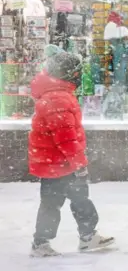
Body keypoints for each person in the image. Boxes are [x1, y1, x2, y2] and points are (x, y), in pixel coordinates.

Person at [28, 50, 114, 257]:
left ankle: (51, 241)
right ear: (67, 73)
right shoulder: (58, 98)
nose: (79, 76)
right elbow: (65, 137)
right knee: (76, 200)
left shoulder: (54, 94)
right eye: (77, 72)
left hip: (54, 163)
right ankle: (80, 238)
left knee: (57, 203)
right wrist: (79, 163)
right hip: (61, 163)